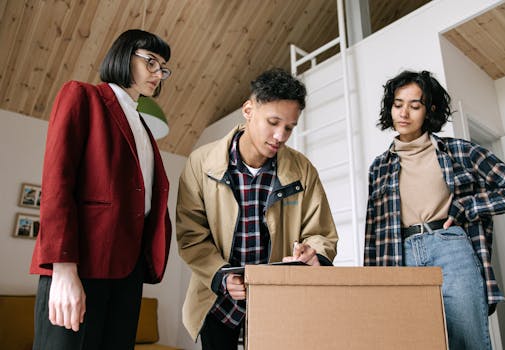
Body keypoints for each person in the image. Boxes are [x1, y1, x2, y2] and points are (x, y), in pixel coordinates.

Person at [30, 29, 173, 350]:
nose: (157, 74)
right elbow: (57, 182)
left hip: (129, 272)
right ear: (123, 56)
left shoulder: (144, 126)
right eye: (150, 61)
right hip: (81, 265)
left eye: (162, 68)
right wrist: (63, 270)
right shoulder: (83, 95)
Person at [176, 68, 338, 349]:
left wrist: (313, 255)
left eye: (289, 127)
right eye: (273, 122)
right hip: (218, 305)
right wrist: (222, 276)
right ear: (249, 110)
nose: (280, 135)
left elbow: (321, 233)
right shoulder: (200, 163)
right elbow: (191, 236)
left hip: (278, 306)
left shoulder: (302, 169)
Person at [364, 70, 505, 350]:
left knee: (468, 341)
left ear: (430, 110)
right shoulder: (378, 167)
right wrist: (371, 285)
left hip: (451, 247)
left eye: (414, 106)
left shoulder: (459, 152)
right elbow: (373, 232)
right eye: (397, 104)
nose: (404, 113)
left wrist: (470, 206)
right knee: (413, 342)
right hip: (399, 255)